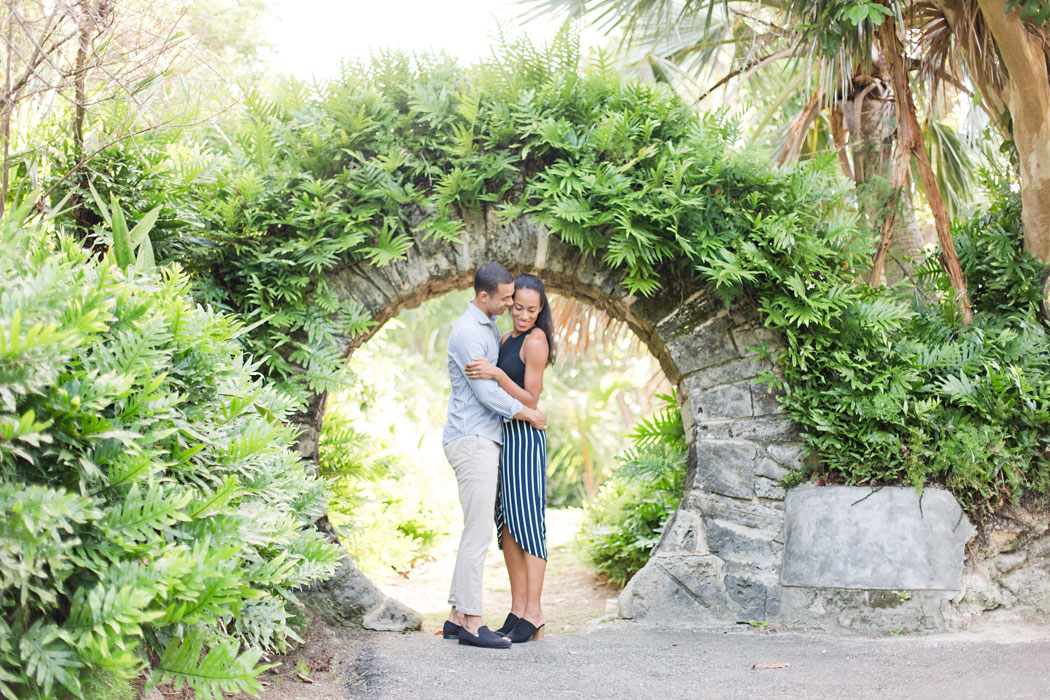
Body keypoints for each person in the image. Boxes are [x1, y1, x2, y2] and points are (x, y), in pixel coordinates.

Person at [441, 262, 548, 649]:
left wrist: (526, 407)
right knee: (485, 532)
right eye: (509, 301)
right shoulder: (475, 332)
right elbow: (486, 395)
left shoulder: (493, 329)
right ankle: (472, 622)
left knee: (511, 526)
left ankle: (462, 617)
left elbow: (510, 385)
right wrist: (530, 413)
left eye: (524, 305)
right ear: (485, 296)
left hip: (498, 438)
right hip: (476, 438)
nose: (513, 308)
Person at [465, 273, 555, 644]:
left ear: (540, 310)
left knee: (529, 525)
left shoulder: (536, 341)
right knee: (508, 529)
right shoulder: (504, 338)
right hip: (505, 438)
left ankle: (534, 612)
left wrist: (498, 373)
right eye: (518, 307)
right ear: (510, 302)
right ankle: (517, 610)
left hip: (527, 439)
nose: (523, 315)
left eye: (532, 310)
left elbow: (531, 399)